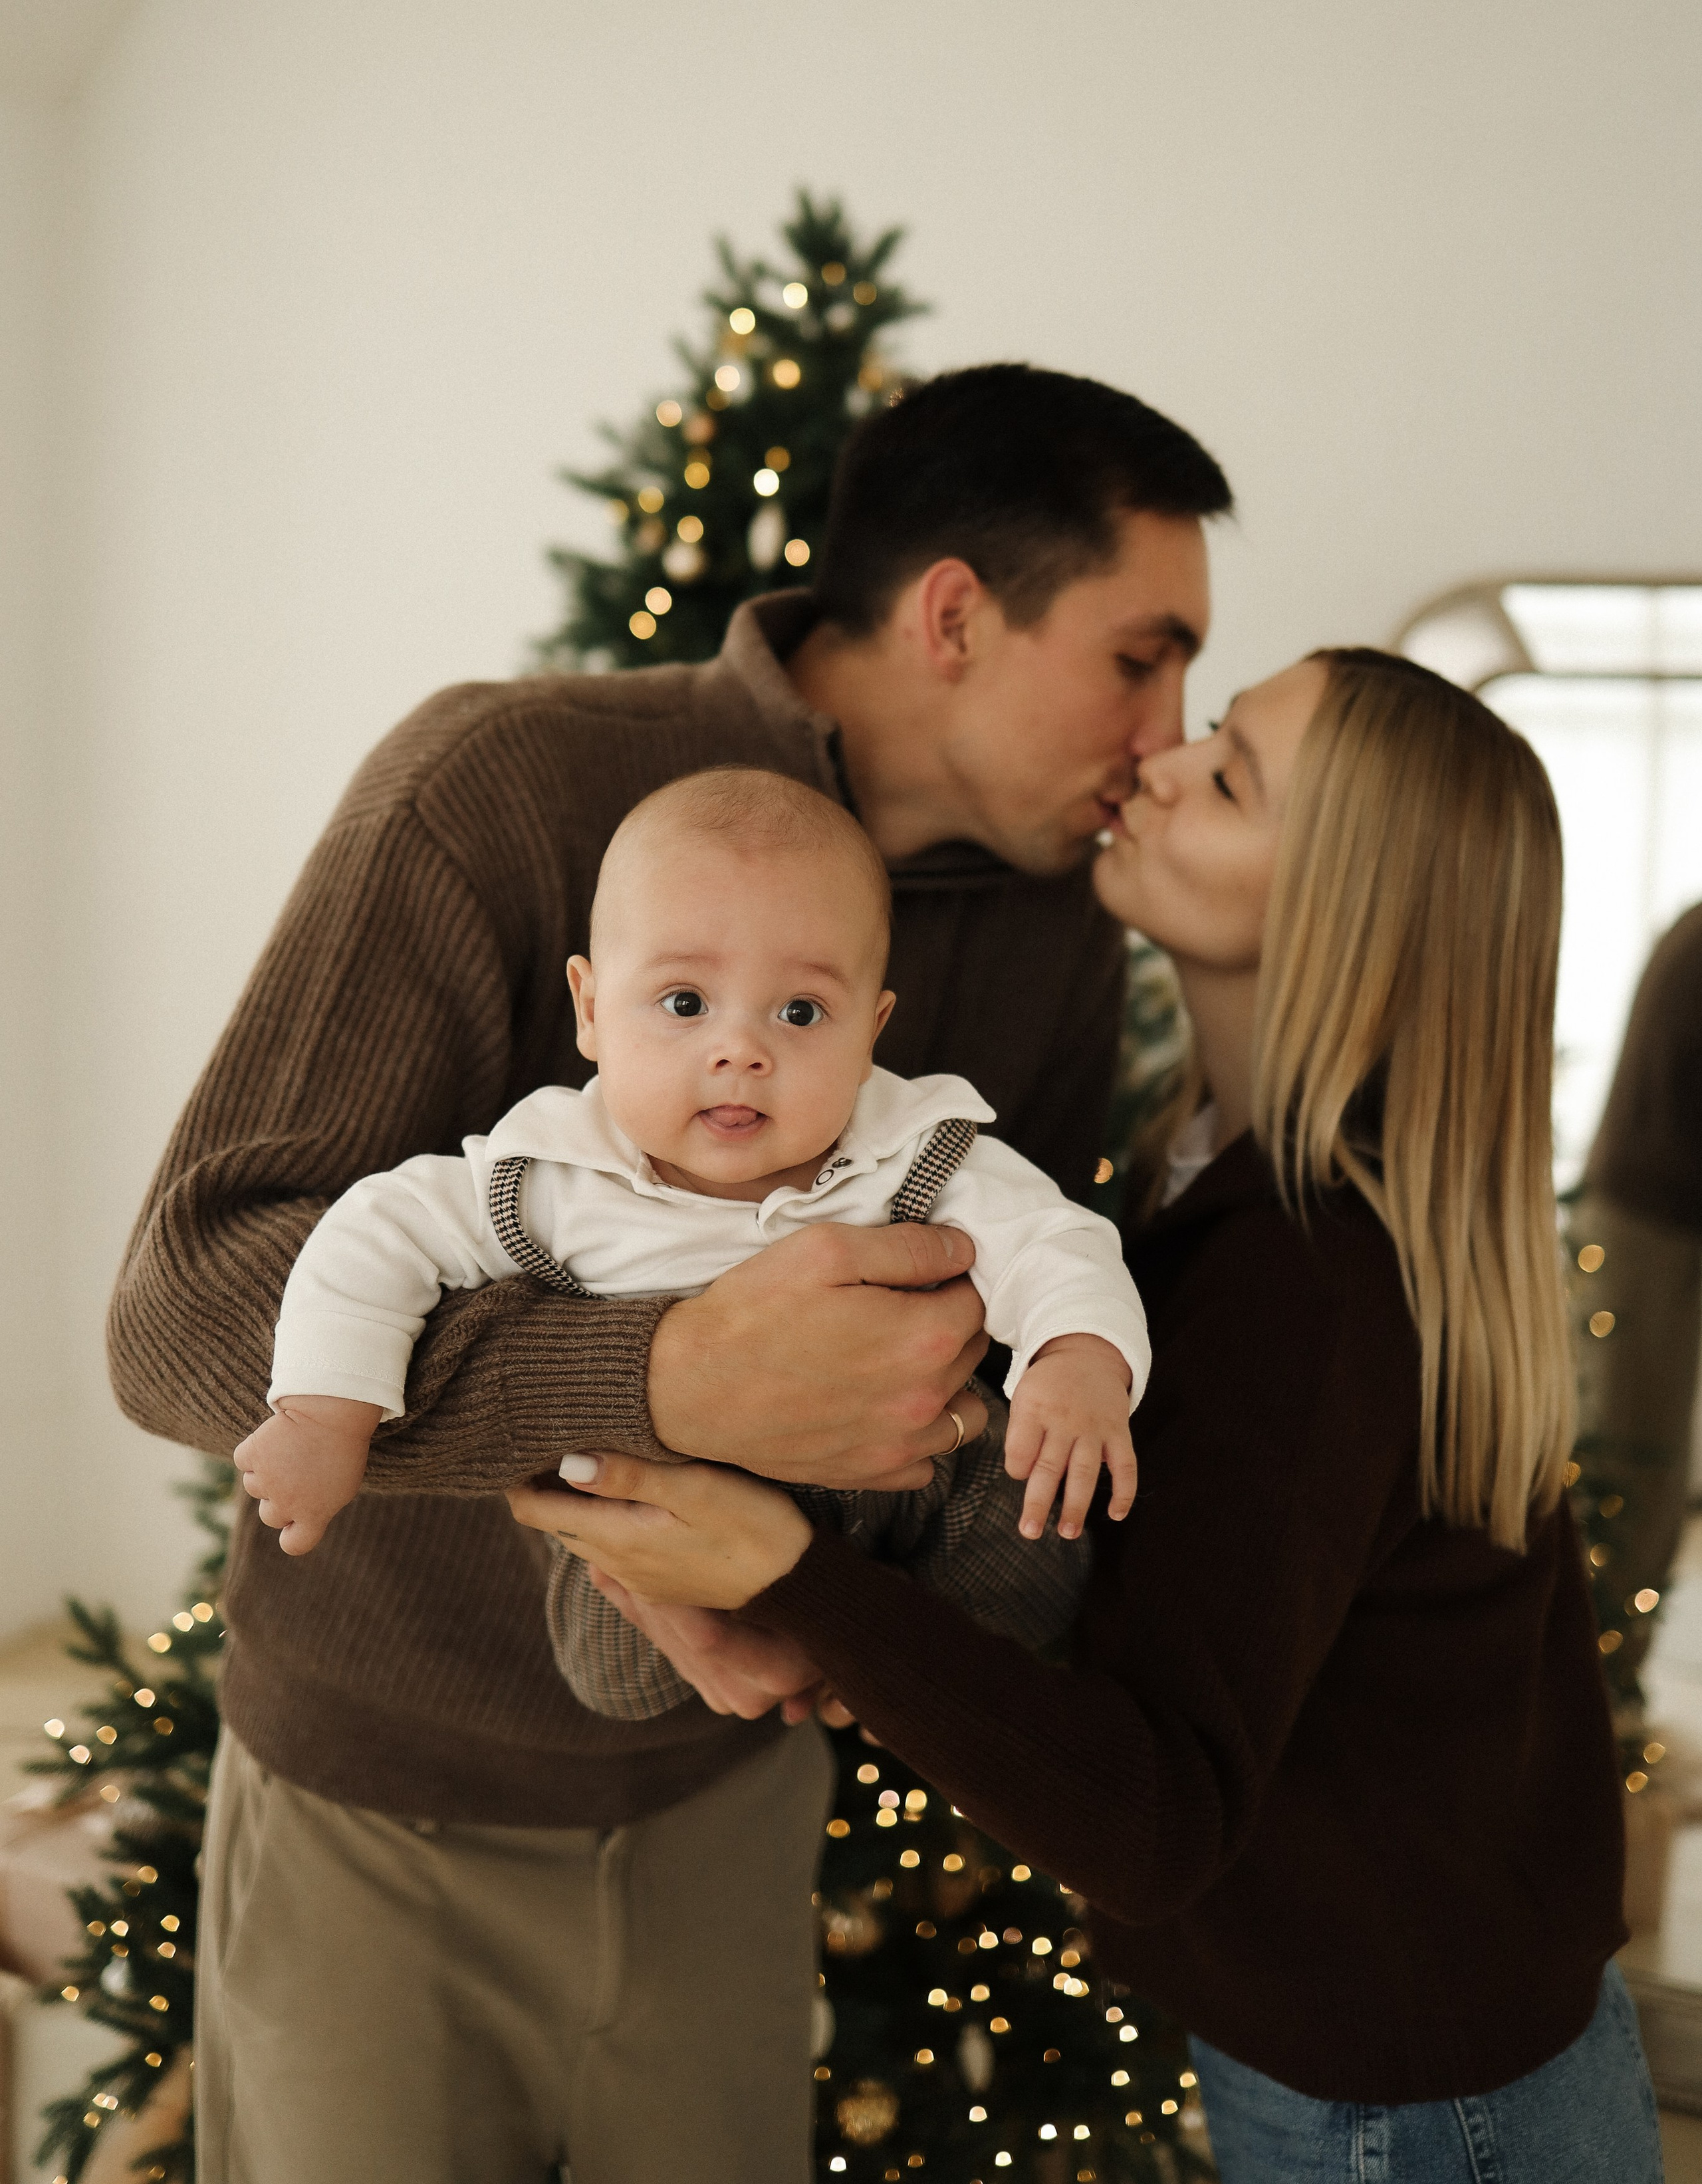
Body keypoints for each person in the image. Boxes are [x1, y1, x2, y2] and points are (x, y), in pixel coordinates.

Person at [107, 362, 1229, 2184]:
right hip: (387, 1813)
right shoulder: (504, 787)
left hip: (731, 1808)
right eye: (1139, 657)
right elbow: (177, 1317)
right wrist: (654, 1377)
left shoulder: (1048, 927)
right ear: (956, 614)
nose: (1166, 732)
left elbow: (987, 1330)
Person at [521, 647, 1659, 2184]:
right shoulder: (1202, 1170)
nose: (1159, 759)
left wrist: (786, 1570)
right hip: (1415, 2031)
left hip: (1403, 2099)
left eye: (1229, 771)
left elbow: (1152, 1811)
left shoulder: (1310, 1278)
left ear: (1350, 912)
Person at [235, 767, 1148, 1721]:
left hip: (913, 1476)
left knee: (1033, 1552)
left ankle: (902, 1662)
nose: (740, 1050)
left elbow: (1054, 1239)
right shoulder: (545, 1174)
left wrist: (1078, 1355)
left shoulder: (915, 1151)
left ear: (873, 1030)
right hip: (661, 1500)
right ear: (591, 1010)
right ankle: (774, 1644)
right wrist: (323, 1412)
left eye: (801, 1013)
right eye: (683, 1003)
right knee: (612, 1658)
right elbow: (379, 1233)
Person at [1568, 903, 1702, 1720]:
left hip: (1652, 1215)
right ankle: (1604, 1698)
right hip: (1650, 1220)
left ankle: (1613, 1690)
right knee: (1632, 1465)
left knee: (1640, 1461)